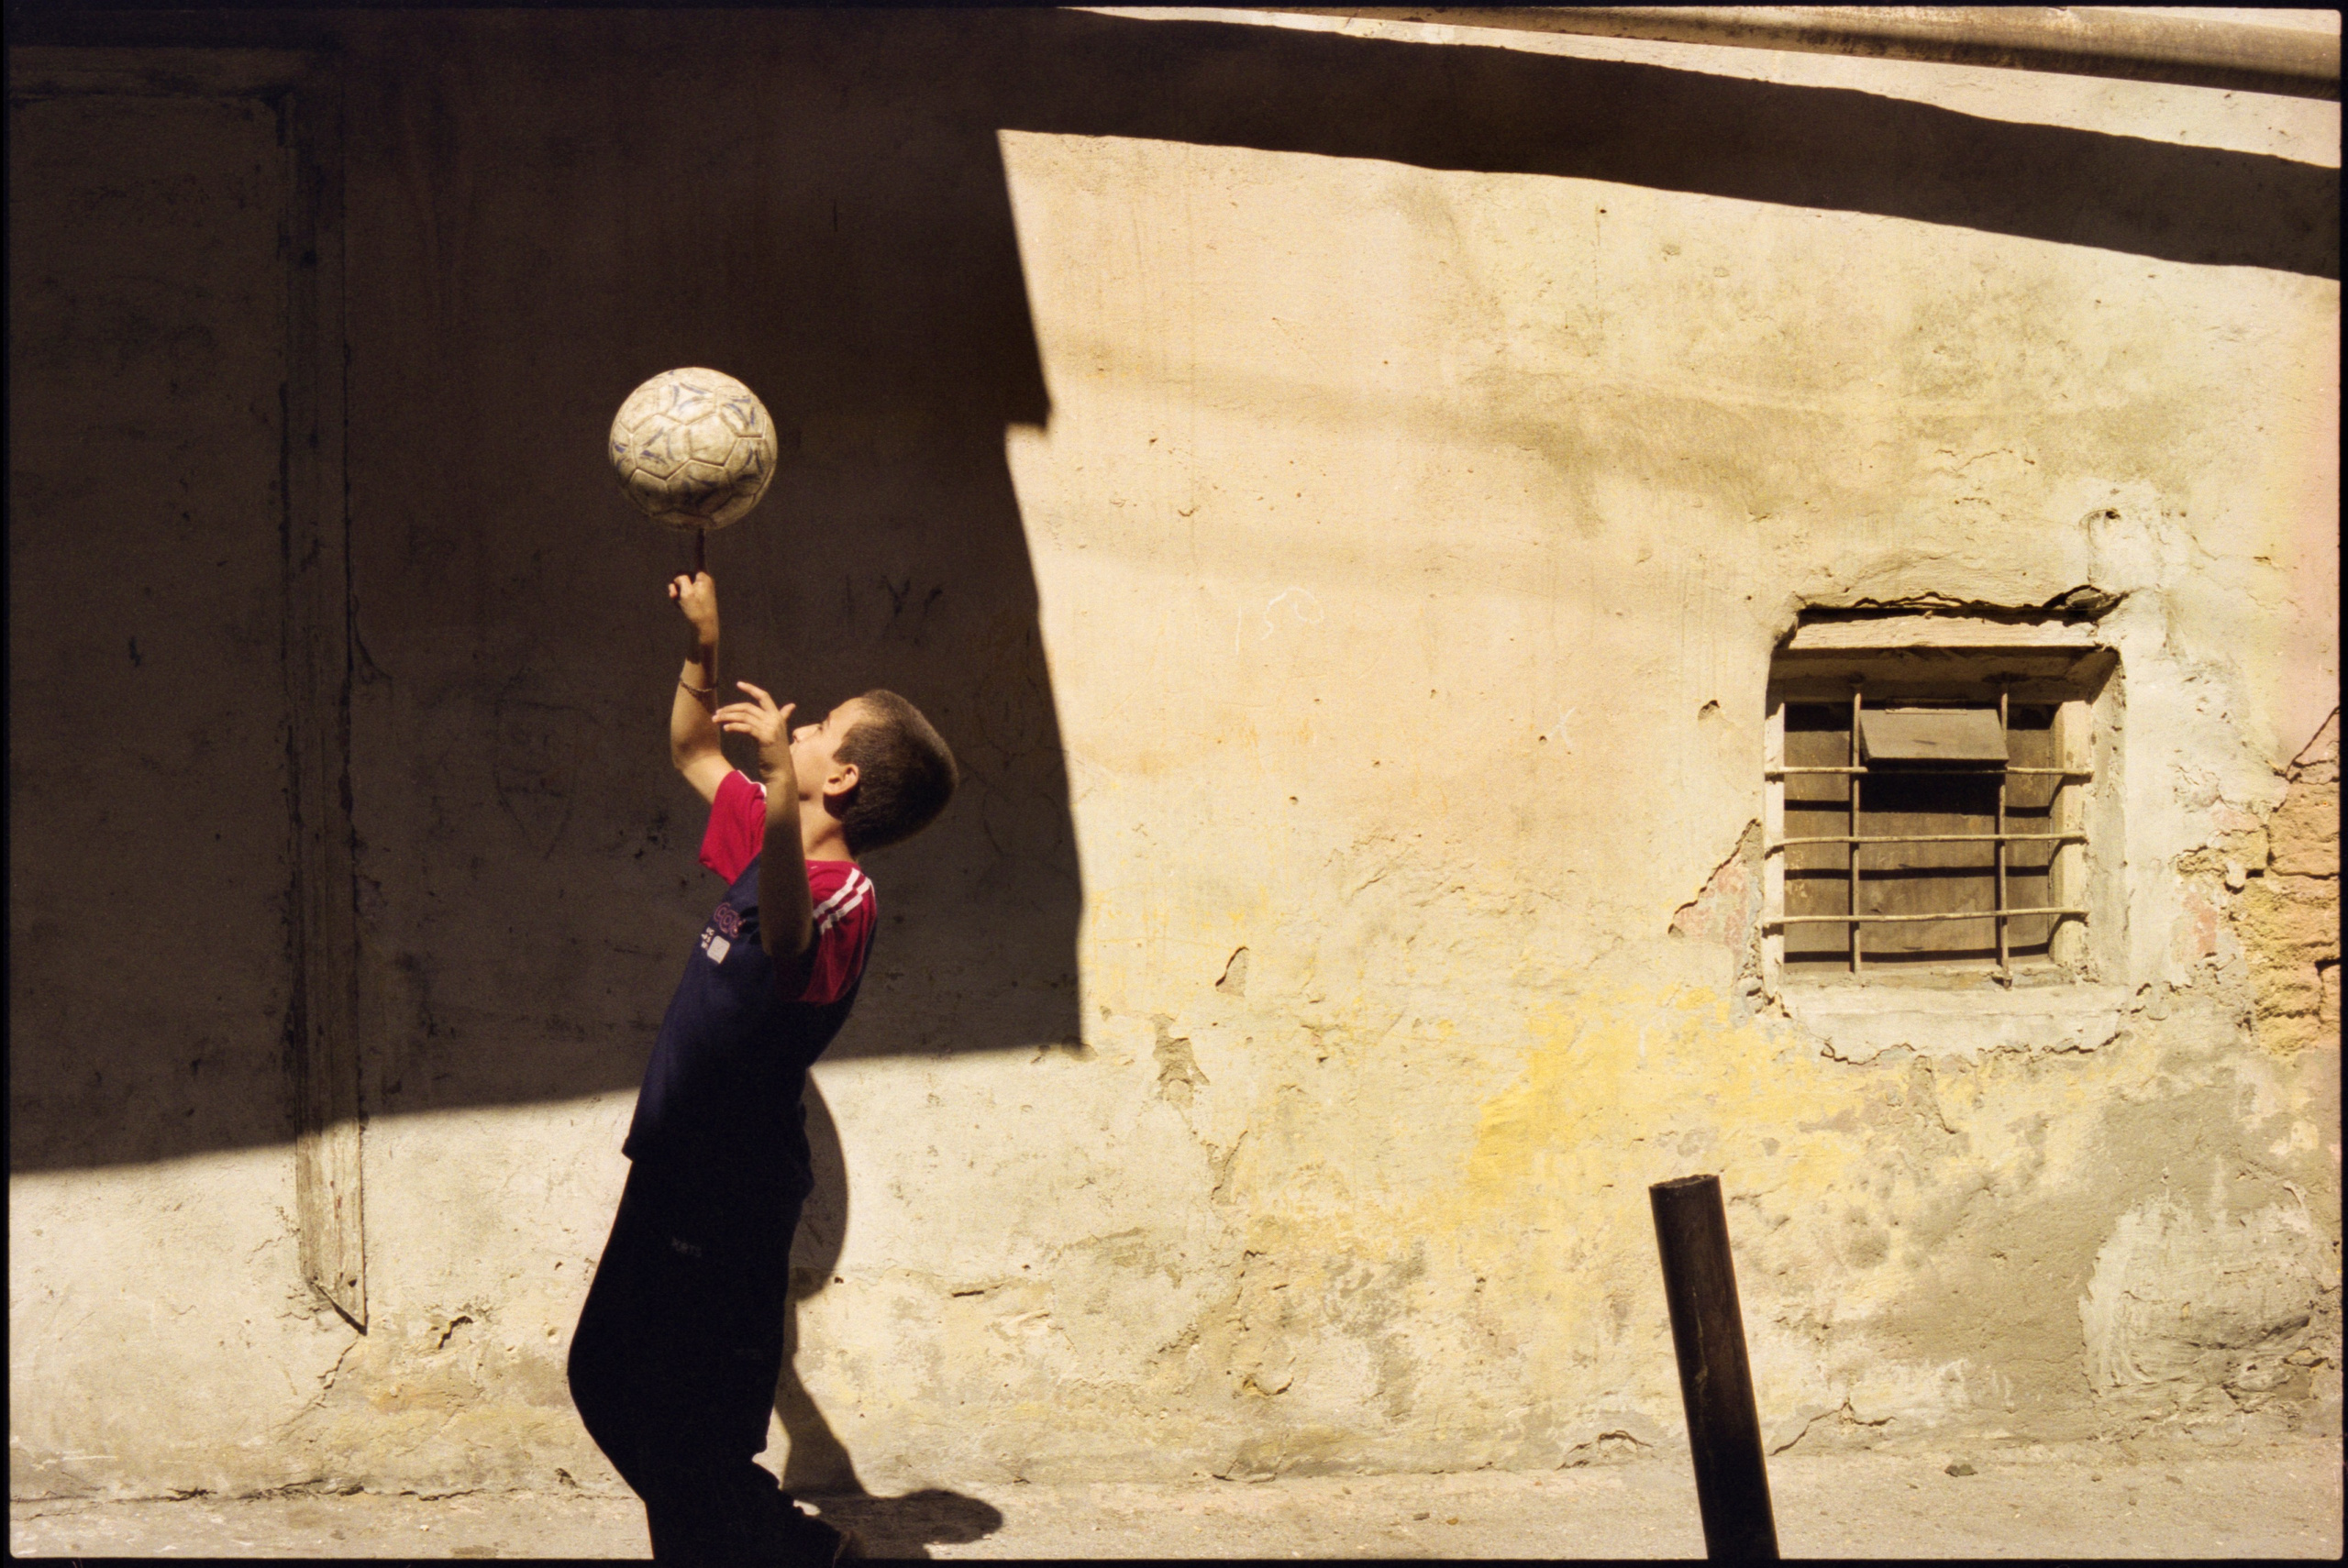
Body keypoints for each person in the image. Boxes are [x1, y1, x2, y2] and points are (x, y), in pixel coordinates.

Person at [569, 568, 958, 1564]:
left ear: (838, 782)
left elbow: (785, 933)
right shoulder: (768, 834)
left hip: (730, 1191)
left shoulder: (843, 899)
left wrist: (781, 786)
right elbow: (690, 747)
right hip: (676, 1168)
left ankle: (791, 1556)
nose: (805, 726)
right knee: (608, 1380)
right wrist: (704, 644)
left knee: (692, 1433)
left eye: (823, 728)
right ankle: (776, 1549)